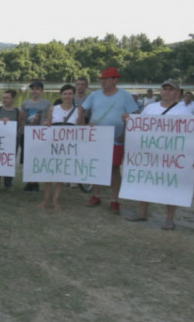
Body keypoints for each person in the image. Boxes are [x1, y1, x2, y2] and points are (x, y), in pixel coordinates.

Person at [126, 79, 191, 230]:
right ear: (160, 91)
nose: (167, 91)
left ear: (177, 92)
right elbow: (139, 127)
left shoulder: (184, 111)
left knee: (172, 184)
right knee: (145, 181)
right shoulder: (150, 108)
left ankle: (169, 218)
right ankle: (142, 213)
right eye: (164, 88)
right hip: (150, 153)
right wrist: (129, 120)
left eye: (171, 89)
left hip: (173, 156)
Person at [78, 67, 139, 214]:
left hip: (116, 139)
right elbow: (82, 110)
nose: (103, 82)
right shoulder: (94, 95)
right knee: (96, 166)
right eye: (102, 79)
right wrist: (83, 126)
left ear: (115, 80)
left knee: (114, 169)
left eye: (106, 79)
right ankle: (96, 195)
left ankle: (114, 200)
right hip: (96, 138)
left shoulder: (125, 96)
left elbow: (135, 115)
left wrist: (126, 129)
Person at [38, 84, 79, 211]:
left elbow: (81, 128)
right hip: (53, 145)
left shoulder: (78, 111)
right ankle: (45, 199)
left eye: (70, 93)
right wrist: (46, 123)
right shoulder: (53, 109)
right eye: (65, 93)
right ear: (61, 95)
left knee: (60, 174)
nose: (67, 96)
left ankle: (55, 200)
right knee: (49, 173)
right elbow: (48, 123)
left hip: (68, 147)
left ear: (73, 95)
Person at [0, 89, 24, 192]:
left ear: (12, 99)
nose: (4, 100)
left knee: (9, 161)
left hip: (12, 140)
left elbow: (20, 125)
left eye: (7, 98)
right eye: (3, 97)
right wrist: (0, 121)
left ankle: (8, 184)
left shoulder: (18, 111)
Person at [21, 80, 51, 192]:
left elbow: (49, 118)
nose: (35, 91)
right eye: (33, 89)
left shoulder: (46, 104)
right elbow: (22, 118)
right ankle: (29, 182)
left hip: (40, 135)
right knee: (27, 159)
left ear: (42, 90)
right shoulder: (25, 103)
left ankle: (36, 183)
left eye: (37, 89)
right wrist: (20, 131)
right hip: (27, 134)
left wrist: (47, 123)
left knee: (37, 159)